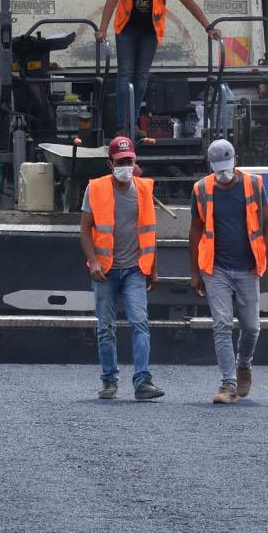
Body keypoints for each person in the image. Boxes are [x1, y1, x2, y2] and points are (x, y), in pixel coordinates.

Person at [188, 139, 268, 404]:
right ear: (211, 165)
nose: (224, 173)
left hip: (248, 267)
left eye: (227, 167)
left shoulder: (253, 184)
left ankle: (244, 364)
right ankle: (228, 384)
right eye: (218, 168)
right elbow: (195, 231)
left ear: (236, 160)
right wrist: (195, 271)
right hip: (215, 268)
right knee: (222, 324)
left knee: (251, 327)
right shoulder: (201, 189)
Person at [96, 0, 220, 134]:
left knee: (141, 76)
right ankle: (122, 126)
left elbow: (189, 2)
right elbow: (112, 0)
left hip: (150, 33)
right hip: (126, 30)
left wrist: (208, 27)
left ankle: (133, 124)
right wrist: (102, 28)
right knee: (125, 73)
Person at [80, 135, 164, 400]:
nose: (126, 165)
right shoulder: (95, 189)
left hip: (135, 269)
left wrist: (153, 267)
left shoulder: (144, 189)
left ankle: (142, 382)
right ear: (110, 163)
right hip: (105, 271)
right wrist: (93, 261)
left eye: (130, 160)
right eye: (121, 161)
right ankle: (109, 380)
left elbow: (150, 232)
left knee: (140, 323)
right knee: (106, 328)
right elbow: (84, 229)